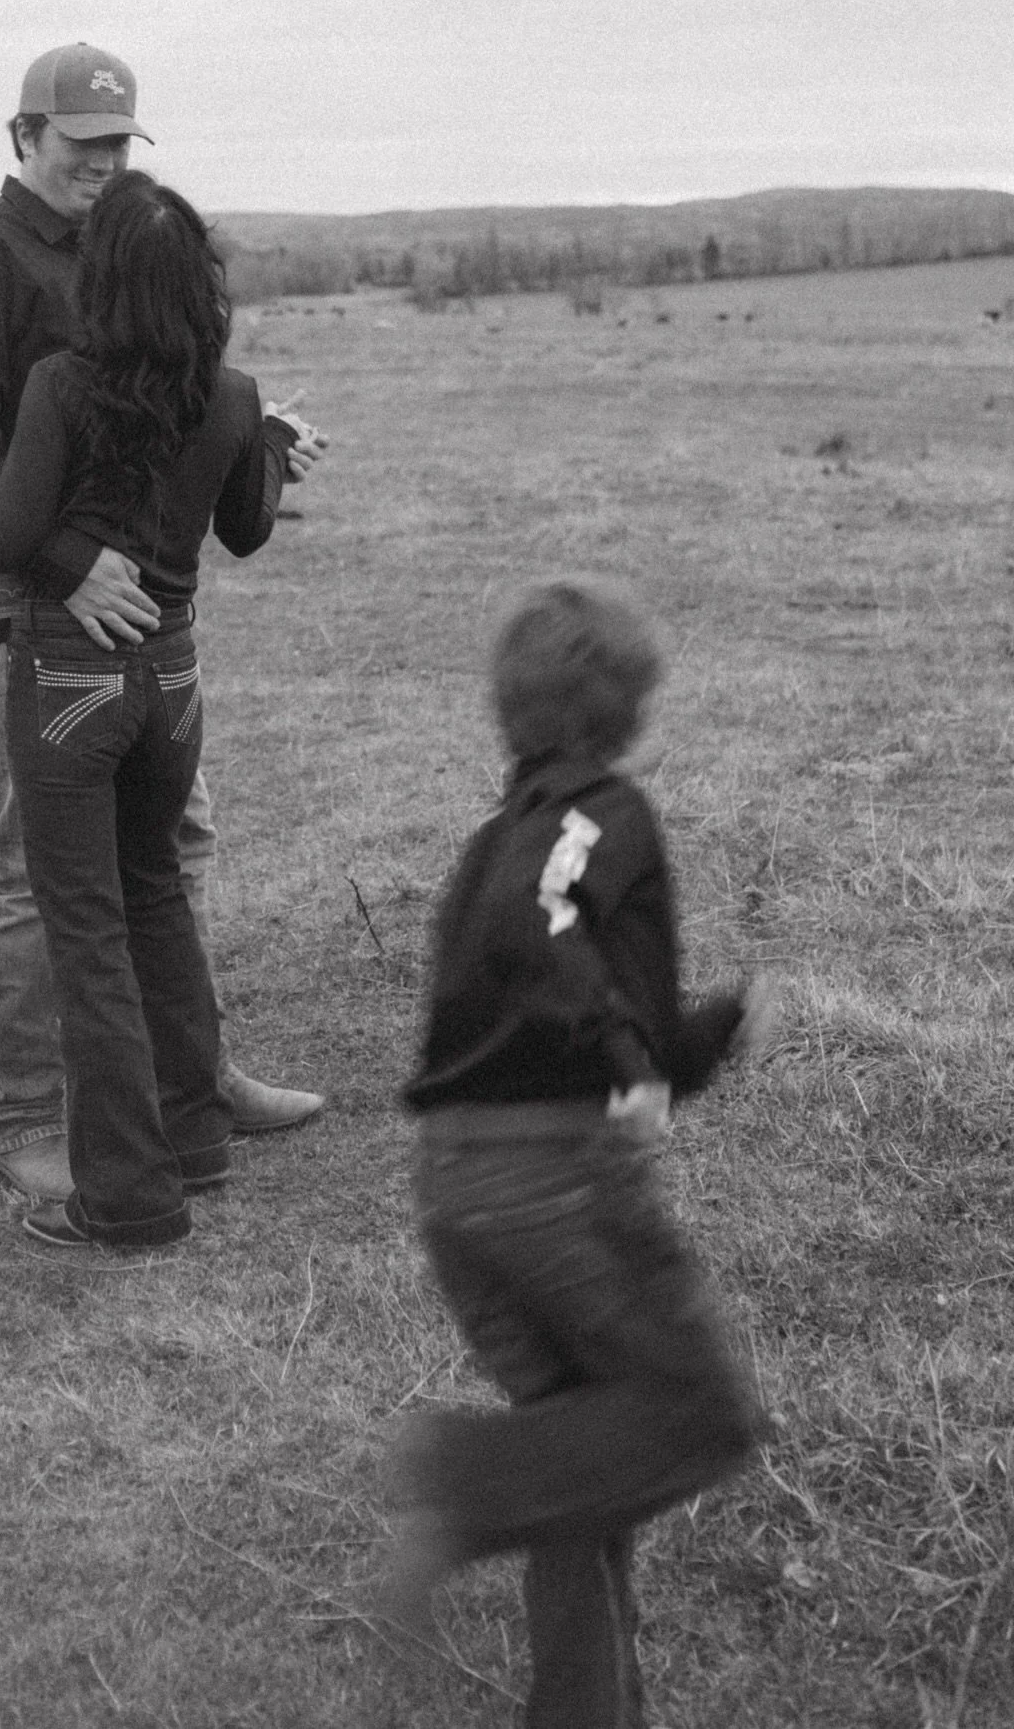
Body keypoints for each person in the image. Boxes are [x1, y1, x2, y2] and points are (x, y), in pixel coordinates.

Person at [0, 43, 323, 1208]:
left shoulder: (118, 249)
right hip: (12, 602)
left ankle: (184, 1080)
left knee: (169, 847)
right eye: (79, 142)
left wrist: (244, 429)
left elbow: (141, 409)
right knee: (35, 874)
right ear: (23, 136)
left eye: (116, 144)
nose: (99, 162)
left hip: (133, 623)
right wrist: (73, 560)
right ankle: (29, 1116)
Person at [379, 583, 776, 1728]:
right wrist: (626, 1053)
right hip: (552, 1183)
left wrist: (696, 1040)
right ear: (627, 709)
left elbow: (544, 1004)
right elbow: (540, 925)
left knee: (583, 1473)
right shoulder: (595, 814)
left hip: (459, 1183)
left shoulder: (494, 838)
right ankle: (463, 1491)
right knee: (701, 1412)